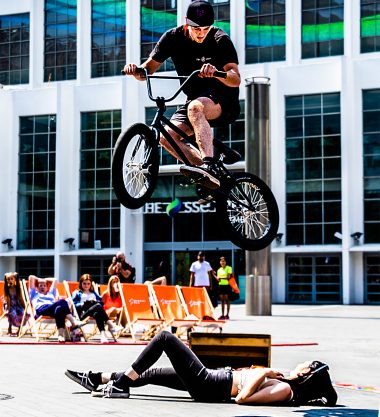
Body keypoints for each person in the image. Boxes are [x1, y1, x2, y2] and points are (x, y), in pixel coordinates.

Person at [122, 0, 241, 190]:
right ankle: (206, 174)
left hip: (223, 100)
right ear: (187, 22)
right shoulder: (172, 38)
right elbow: (147, 71)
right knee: (165, 137)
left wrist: (217, 72)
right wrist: (135, 70)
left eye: (205, 29)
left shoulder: (220, 38)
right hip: (193, 99)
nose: (201, 33)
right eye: (196, 29)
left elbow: (235, 78)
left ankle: (209, 165)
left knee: (196, 107)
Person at [65, 330, 338, 406]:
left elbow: (243, 399)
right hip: (213, 379)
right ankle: (97, 378)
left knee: (164, 338)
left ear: (307, 373)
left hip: (210, 383)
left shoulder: (285, 391)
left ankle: (119, 386)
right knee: (150, 374)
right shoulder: (286, 384)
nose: (301, 362)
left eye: (306, 364)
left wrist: (264, 372)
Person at [28, 275, 83, 343]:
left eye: (44, 285)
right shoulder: (34, 294)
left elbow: (55, 280)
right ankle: (73, 321)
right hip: (41, 309)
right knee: (62, 301)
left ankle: (60, 335)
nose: (42, 287)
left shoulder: (51, 293)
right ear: (36, 287)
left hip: (51, 309)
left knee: (59, 309)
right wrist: (40, 279)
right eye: (40, 285)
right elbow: (31, 277)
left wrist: (44, 279)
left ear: (47, 287)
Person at [72, 274, 122, 344]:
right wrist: (83, 304)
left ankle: (103, 336)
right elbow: (74, 305)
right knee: (98, 306)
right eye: (84, 283)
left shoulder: (93, 292)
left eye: (88, 284)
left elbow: (101, 302)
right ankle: (111, 325)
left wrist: (94, 301)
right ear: (81, 283)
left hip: (94, 313)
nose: (86, 285)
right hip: (84, 314)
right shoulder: (77, 293)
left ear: (91, 284)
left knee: (98, 313)